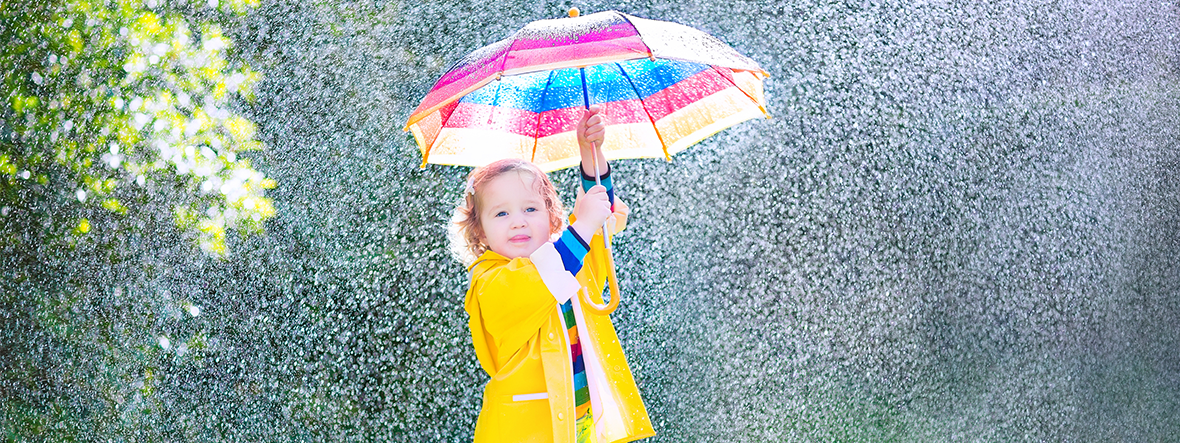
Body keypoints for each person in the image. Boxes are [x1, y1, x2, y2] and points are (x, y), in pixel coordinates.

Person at [451, 106, 655, 443]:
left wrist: (592, 155)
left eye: (531, 209)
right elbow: (541, 279)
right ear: (481, 234)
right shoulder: (489, 281)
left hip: (584, 421)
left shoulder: (572, 253)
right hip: (527, 429)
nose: (518, 221)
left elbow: (598, 213)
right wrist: (584, 225)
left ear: (552, 217)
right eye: (501, 213)